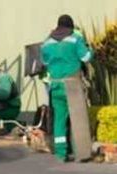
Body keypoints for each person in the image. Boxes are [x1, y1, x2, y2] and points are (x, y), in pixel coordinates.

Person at [41, 14, 94, 162]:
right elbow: (86, 57)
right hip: (72, 84)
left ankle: (60, 153)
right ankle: (82, 154)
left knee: (59, 120)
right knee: (78, 120)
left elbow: (44, 62)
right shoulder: (75, 39)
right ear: (70, 27)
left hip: (55, 84)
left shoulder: (47, 43)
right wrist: (91, 50)